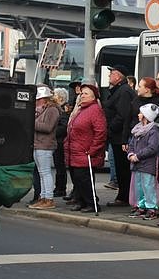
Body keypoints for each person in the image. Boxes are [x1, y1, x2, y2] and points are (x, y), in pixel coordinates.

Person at [65, 82, 108, 213]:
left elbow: (100, 132)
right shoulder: (82, 109)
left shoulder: (95, 110)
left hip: (85, 152)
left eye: (85, 93)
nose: (82, 95)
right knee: (77, 179)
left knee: (84, 179)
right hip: (76, 151)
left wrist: (93, 150)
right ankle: (81, 201)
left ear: (93, 96)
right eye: (81, 93)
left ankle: (91, 202)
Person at [103, 65, 137, 207]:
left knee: (123, 168)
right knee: (120, 167)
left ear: (118, 76)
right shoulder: (120, 90)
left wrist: (110, 128)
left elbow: (122, 115)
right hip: (117, 135)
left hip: (120, 136)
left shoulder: (123, 91)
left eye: (112, 73)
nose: (109, 75)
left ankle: (124, 197)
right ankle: (123, 195)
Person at [127, 103, 159, 220]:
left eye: (141, 113)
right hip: (137, 164)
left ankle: (151, 207)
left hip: (147, 164)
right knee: (138, 186)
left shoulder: (153, 131)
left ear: (146, 116)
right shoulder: (137, 130)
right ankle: (140, 206)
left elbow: (152, 148)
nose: (139, 115)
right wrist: (130, 153)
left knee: (148, 186)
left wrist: (138, 156)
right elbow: (131, 144)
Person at [29, 85, 60, 210]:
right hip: (39, 144)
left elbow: (47, 127)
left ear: (44, 99)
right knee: (43, 173)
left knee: (45, 173)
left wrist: (31, 121)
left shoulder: (52, 110)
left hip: (45, 145)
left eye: (38, 99)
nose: (36, 102)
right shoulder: (43, 109)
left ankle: (49, 198)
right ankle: (43, 197)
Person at [53, 88, 70, 199]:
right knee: (58, 165)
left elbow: (63, 127)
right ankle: (58, 187)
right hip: (57, 141)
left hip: (60, 142)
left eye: (54, 95)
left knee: (60, 166)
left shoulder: (63, 110)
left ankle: (60, 188)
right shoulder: (58, 109)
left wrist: (52, 130)